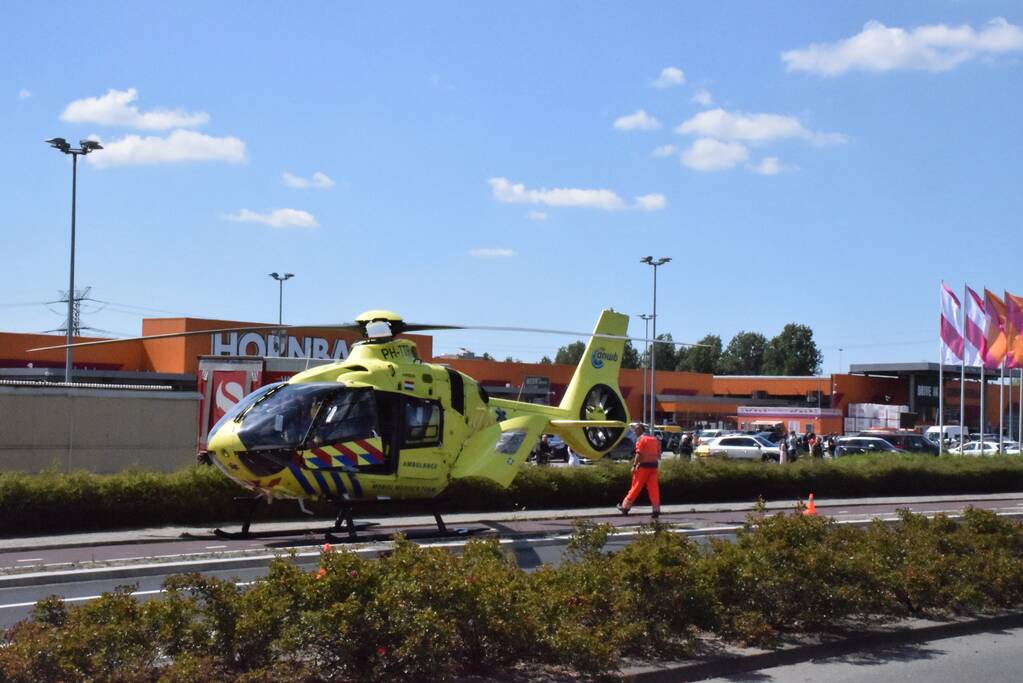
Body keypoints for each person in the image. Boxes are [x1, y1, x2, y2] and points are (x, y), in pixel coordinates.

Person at [616, 423, 662, 518]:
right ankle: (656, 509)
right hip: (653, 466)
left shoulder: (641, 439)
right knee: (654, 488)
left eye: (635, 430)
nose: (634, 432)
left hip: (643, 467)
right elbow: (659, 454)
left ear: (640, 430)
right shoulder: (654, 439)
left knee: (636, 486)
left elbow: (639, 453)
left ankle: (625, 507)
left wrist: (634, 465)